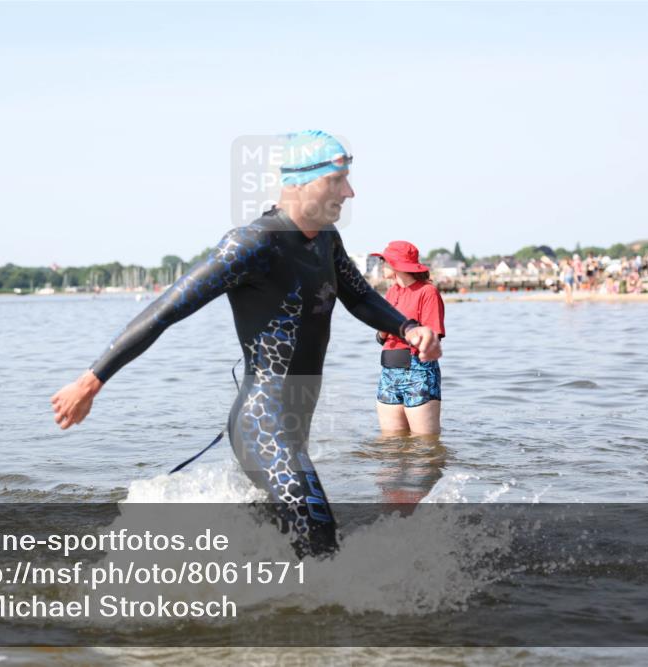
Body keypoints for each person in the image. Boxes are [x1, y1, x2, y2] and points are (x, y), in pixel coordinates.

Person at [50, 131, 441, 557]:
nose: (349, 192)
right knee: (322, 544)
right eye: (338, 180)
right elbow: (167, 308)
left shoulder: (326, 240)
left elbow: (360, 296)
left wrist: (407, 327)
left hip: (292, 426)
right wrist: (91, 381)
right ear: (299, 182)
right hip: (263, 425)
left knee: (293, 549)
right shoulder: (252, 243)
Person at [371, 241, 445, 436]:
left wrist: (405, 329)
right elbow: (381, 337)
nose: (380, 265)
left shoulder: (427, 292)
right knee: (390, 447)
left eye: (383, 260)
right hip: (388, 372)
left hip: (418, 372)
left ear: (396, 264)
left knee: (425, 446)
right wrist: (382, 331)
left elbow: (432, 339)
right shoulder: (392, 291)